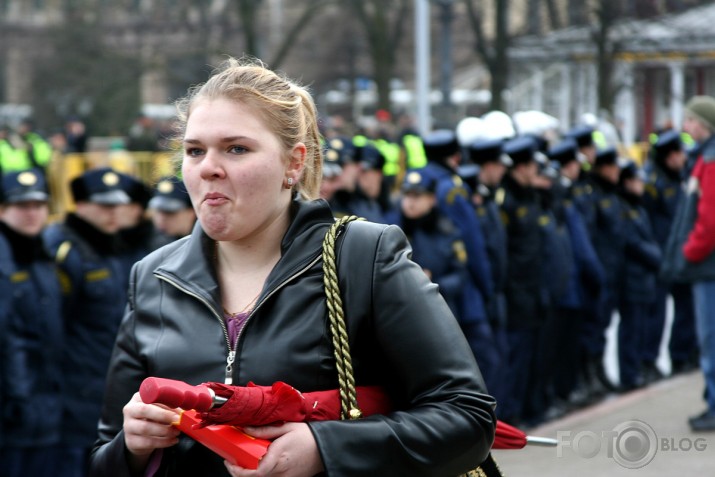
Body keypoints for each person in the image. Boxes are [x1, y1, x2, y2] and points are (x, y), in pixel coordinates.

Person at [88, 57, 497, 477]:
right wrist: (134, 446)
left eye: (236, 148)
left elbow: (468, 418)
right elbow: (102, 459)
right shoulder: (153, 276)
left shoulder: (363, 256)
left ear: (293, 163)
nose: (208, 167)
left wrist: (325, 448)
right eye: (195, 150)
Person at [42, 167, 134, 477]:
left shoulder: (109, 244)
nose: (113, 213)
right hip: (73, 390)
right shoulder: (63, 248)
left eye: (117, 205)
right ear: (80, 205)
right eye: (104, 206)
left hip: (105, 385)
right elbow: (51, 328)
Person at [0, 169, 64, 477]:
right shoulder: (5, 256)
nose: (31, 213)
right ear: (3, 210)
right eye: (21, 206)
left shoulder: (41, 254)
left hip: (43, 405)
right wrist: (18, 397)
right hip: (14, 409)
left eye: (38, 205)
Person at [643, 130, 696, 380]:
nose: (681, 158)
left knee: (686, 308)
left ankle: (682, 355)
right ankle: (649, 360)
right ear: (667, 156)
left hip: (680, 255)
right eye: (677, 154)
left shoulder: (681, 177)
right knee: (656, 313)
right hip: (660, 256)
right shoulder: (654, 183)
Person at [679, 95, 715, 431]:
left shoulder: (710, 159)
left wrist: (688, 252)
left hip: (708, 266)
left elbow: (709, 220)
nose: (686, 127)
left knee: (710, 337)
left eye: (690, 121)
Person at [616, 160, 662, 392]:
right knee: (631, 330)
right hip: (632, 279)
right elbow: (633, 243)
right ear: (627, 183)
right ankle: (629, 374)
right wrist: (657, 258)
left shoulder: (639, 208)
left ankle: (637, 370)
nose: (641, 185)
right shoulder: (623, 209)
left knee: (642, 327)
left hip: (644, 279)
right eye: (636, 181)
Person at [147, 175, 196, 249]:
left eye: (170, 212)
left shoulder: (208, 244)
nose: (161, 218)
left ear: (191, 212)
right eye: (158, 211)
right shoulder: (148, 243)